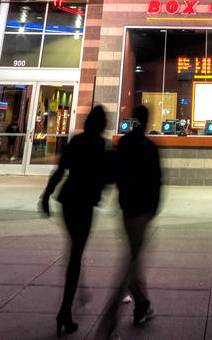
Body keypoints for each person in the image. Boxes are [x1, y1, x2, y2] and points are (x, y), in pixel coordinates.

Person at [40, 104, 110, 335]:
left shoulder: (77, 141)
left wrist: (46, 195)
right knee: (76, 253)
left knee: (75, 249)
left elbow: (60, 170)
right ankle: (65, 310)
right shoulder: (101, 145)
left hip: (69, 200)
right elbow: (106, 175)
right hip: (85, 203)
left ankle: (77, 292)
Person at [98, 104, 160, 337]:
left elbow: (113, 173)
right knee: (130, 264)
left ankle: (142, 305)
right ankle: (108, 325)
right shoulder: (149, 147)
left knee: (134, 259)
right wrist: (153, 209)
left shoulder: (124, 143)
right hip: (142, 212)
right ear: (148, 120)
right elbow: (156, 181)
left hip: (126, 209)